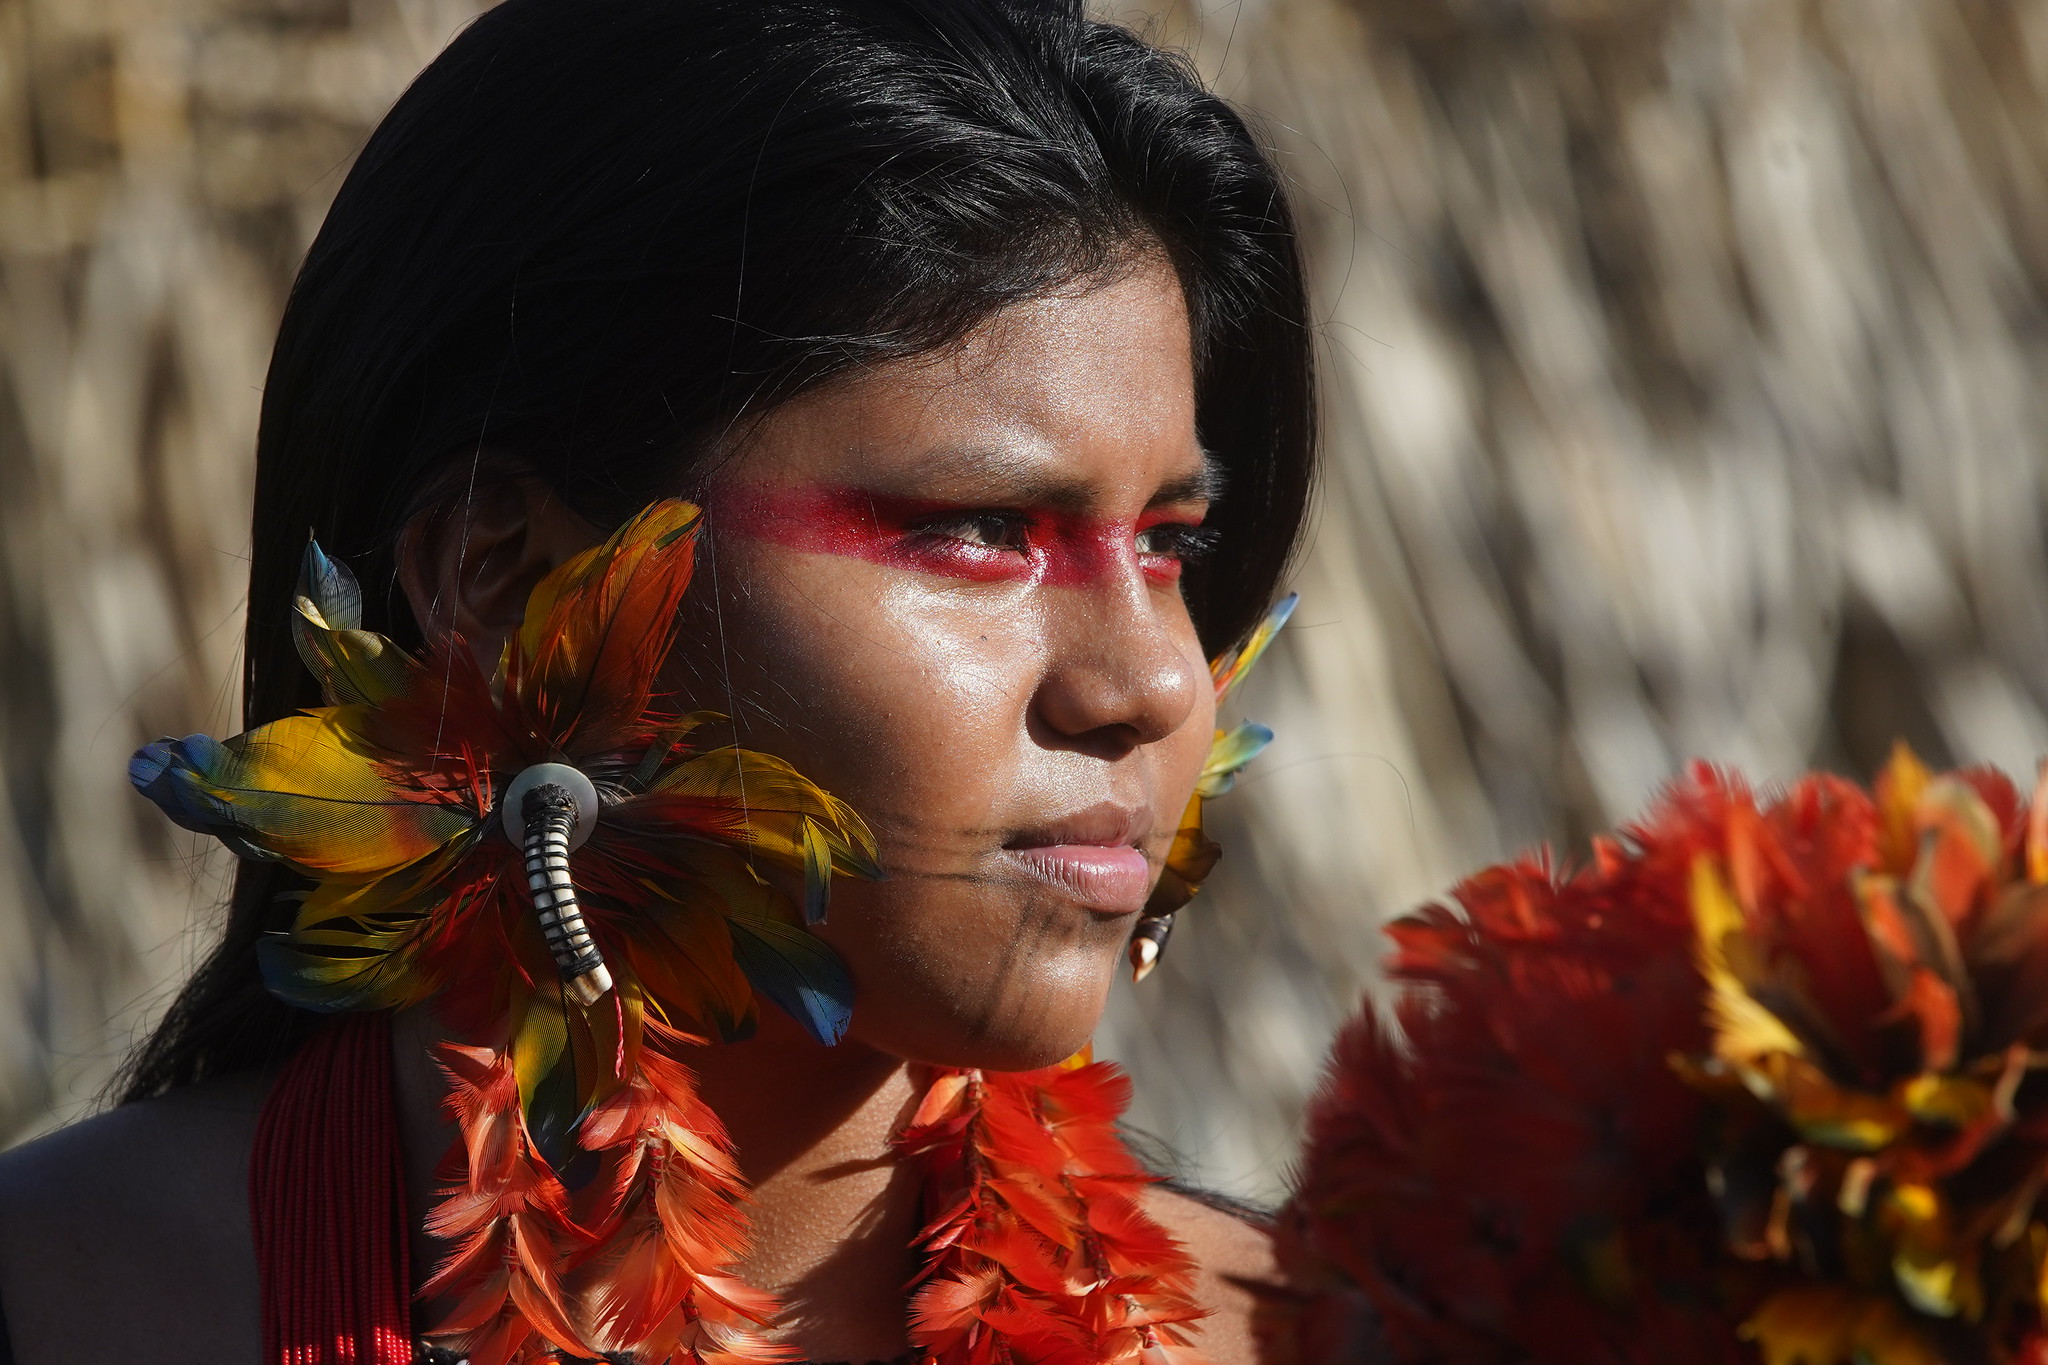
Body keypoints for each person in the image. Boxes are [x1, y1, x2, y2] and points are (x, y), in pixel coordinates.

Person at [0, 1, 1316, 1361]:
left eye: (1170, 543)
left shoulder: (1325, 1337)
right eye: (979, 530)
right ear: (494, 576)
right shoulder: (60, 1301)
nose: (1154, 679)